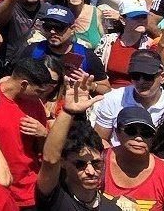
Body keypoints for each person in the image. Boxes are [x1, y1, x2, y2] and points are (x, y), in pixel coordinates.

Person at [0, 55, 59, 209]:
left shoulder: (35, 105)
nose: (41, 97)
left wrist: (43, 134)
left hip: (29, 191)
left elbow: (43, 152)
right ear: (24, 84)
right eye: (38, 91)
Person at [36, 77, 121, 211]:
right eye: (80, 164)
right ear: (63, 162)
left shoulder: (112, 208)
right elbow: (50, 159)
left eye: (96, 163)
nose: (91, 171)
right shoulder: (55, 196)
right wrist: (68, 111)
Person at [102, 106, 164, 211]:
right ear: (117, 132)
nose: (138, 138)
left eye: (146, 133)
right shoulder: (98, 162)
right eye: (131, 131)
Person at [94, 50, 164, 145]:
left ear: (162, 77)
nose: (141, 81)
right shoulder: (113, 99)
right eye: (135, 76)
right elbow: (101, 139)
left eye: (147, 76)